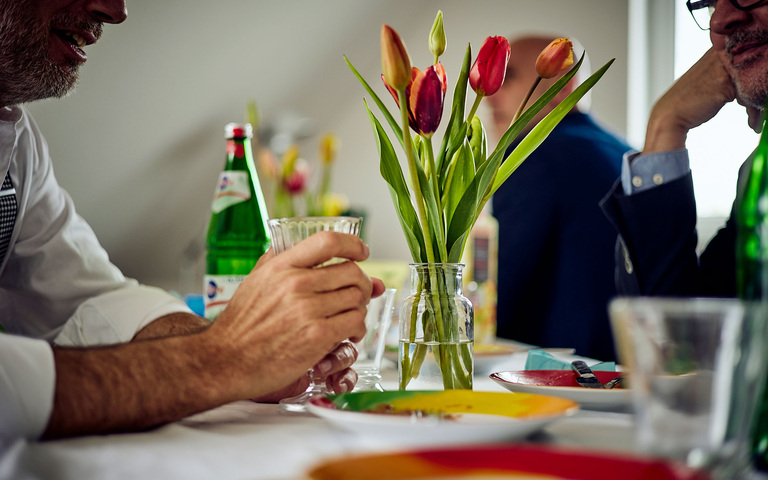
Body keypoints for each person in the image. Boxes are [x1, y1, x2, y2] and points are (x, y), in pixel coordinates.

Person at [0, 0, 384, 446]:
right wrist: (224, 359)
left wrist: (256, 348)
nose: (116, 10)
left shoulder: (18, 143)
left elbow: (85, 301)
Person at [600, 0, 766, 298]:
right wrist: (666, 123)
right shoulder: (757, 170)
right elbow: (668, 333)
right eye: (710, 3)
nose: (720, 21)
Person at [487, 35, 632, 361]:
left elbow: (503, 290)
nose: (490, 95)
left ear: (565, 87)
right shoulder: (630, 153)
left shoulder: (533, 155)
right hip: (631, 367)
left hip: (560, 373)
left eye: (506, 77)